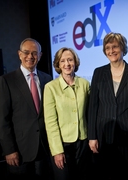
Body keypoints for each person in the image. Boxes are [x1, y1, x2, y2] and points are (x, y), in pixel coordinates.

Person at [88, 32, 128, 179]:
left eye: (115, 46)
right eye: (107, 47)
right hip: (105, 134)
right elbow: (93, 107)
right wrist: (92, 136)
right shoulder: (98, 73)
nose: (111, 51)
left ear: (123, 48)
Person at [0, 38, 53, 179]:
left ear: (40, 56)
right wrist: (9, 150)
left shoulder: (48, 79)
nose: (30, 56)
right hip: (20, 150)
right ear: (19, 54)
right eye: (26, 52)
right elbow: (2, 119)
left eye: (34, 53)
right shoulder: (7, 81)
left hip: (45, 148)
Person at [43, 47, 91, 180]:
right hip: (63, 144)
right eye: (63, 61)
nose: (67, 64)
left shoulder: (85, 84)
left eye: (70, 60)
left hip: (83, 142)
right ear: (58, 64)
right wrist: (57, 151)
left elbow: (91, 113)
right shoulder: (50, 87)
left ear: (75, 62)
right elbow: (50, 122)